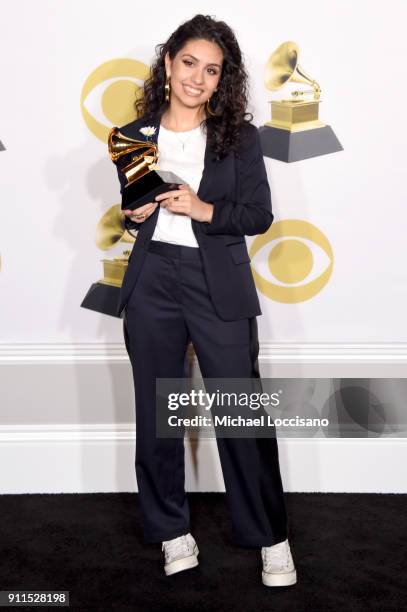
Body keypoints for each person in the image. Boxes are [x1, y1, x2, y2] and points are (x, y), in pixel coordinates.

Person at [114, 14, 297, 587]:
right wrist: (133, 213)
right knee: (157, 413)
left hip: (216, 278)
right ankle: (172, 532)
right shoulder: (132, 135)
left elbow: (258, 216)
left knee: (240, 413)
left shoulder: (237, 137)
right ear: (168, 63)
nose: (198, 77)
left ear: (223, 81)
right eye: (189, 62)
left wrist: (203, 210)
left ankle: (270, 537)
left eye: (212, 70)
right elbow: (134, 208)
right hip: (152, 283)